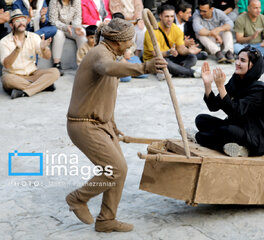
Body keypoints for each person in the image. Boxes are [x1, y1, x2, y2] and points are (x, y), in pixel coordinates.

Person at [66, 18, 167, 232]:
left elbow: (103, 93)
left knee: (119, 169)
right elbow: (107, 68)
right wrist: (144, 67)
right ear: (118, 42)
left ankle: (106, 219)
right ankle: (77, 198)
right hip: (83, 125)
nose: (131, 44)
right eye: (129, 40)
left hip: (101, 124)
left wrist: (111, 121)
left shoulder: (110, 53)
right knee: (116, 170)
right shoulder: (100, 54)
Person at [194, 45, 264, 157]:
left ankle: (240, 149)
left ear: (253, 65)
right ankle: (220, 142)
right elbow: (213, 106)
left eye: (243, 60)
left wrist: (221, 87)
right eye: (237, 58)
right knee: (201, 119)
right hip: (236, 127)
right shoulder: (236, 80)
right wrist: (208, 84)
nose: (237, 62)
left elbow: (234, 112)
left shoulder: (259, 89)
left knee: (224, 131)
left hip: (256, 138)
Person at [0, 9, 60, 99]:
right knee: (7, 80)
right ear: (11, 25)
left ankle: (23, 92)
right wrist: (17, 49)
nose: (21, 23)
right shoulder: (4, 41)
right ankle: (42, 86)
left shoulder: (34, 37)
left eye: (23, 20)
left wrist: (44, 49)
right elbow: (7, 65)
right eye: (17, 21)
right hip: (14, 76)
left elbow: (47, 57)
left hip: (33, 74)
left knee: (55, 72)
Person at [143, 4, 201, 80]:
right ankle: (191, 72)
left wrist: (188, 51)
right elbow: (155, 54)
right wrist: (169, 52)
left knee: (192, 57)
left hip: (170, 57)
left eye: (172, 16)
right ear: (160, 16)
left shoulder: (176, 29)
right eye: (167, 16)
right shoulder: (152, 31)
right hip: (154, 59)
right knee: (164, 61)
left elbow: (180, 49)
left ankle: (172, 71)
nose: (170, 19)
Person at [49, 0, 86, 75]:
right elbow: (53, 20)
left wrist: (76, 27)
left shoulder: (76, 1)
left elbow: (78, 17)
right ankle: (57, 64)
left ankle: (84, 65)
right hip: (59, 27)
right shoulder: (54, 1)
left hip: (72, 27)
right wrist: (65, 27)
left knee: (82, 34)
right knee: (58, 35)